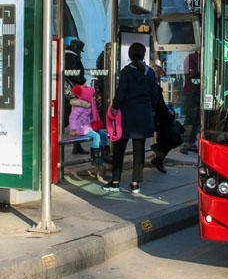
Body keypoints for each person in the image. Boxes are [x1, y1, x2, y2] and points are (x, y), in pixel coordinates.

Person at [104, 42, 157, 194]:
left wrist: (114, 108)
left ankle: (115, 182)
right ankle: (135, 184)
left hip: (126, 115)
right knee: (139, 150)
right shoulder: (150, 73)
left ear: (130, 55)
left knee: (119, 149)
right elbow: (154, 96)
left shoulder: (126, 71)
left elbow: (121, 93)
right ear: (143, 54)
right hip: (143, 115)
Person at [149, 64, 182, 173]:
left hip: (156, 118)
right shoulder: (153, 87)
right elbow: (160, 106)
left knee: (174, 129)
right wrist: (169, 112)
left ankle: (159, 152)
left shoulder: (151, 86)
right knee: (174, 133)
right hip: (155, 119)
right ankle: (159, 152)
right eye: (159, 75)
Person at [68, 83, 108, 164]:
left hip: (88, 126)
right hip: (81, 128)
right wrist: (73, 129)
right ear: (86, 96)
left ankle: (104, 154)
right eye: (91, 95)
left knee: (104, 135)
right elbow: (73, 117)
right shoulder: (80, 106)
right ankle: (95, 157)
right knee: (96, 136)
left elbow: (91, 117)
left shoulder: (89, 105)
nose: (92, 97)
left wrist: (95, 124)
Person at [64, 39, 87, 153]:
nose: (80, 53)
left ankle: (76, 146)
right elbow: (73, 73)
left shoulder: (64, 55)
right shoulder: (71, 58)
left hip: (67, 92)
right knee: (76, 118)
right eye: (80, 51)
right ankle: (76, 146)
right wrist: (82, 80)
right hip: (72, 92)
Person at [180, 49, 201, 154]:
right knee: (190, 117)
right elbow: (188, 73)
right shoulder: (191, 57)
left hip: (200, 91)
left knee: (198, 119)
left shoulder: (205, 56)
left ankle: (191, 142)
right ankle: (185, 143)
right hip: (191, 91)